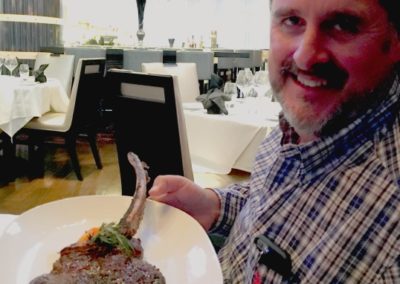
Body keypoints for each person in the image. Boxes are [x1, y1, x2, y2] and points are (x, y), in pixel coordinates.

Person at [149, 0, 400, 282]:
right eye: (292, 20)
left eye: (343, 25)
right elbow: (273, 195)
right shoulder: (298, 122)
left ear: (394, 41)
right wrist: (214, 204)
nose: (305, 57)